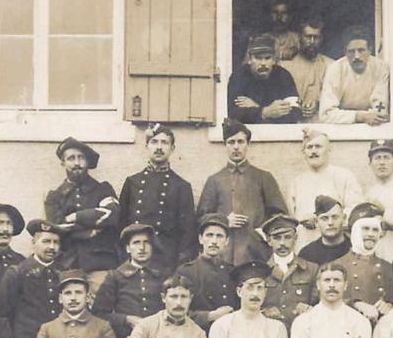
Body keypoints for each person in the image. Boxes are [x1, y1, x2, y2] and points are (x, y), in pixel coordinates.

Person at [198, 119, 288, 265]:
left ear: (248, 144)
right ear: (225, 145)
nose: (236, 147)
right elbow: (202, 218)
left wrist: (263, 232)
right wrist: (224, 221)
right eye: (231, 142)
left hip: (255, 252)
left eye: (240, 142)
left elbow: (280, 215)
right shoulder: (215, 180)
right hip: (223, 254)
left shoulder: (263, 177)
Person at [118, 124, 198, 277]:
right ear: (146, 146)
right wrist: (124, 260)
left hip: (166, 261)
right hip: (134, 260)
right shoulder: (132, 182)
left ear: (172, 148)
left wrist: (179, 268)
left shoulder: (181, 186)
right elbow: (121, 226)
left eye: (164, 143)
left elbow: (188, 233)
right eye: (154, 142)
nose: (159, 147)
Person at [44, 137, 120, 294]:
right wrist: (91, 230)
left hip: (100, 263)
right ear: (63, 163)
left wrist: (73, 217)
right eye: (71, 158)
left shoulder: (103, 189)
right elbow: (57, 228)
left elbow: (111, 215)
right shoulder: (54, 197)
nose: (77, 163)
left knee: (102, 305)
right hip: (68, 264)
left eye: (81, 158)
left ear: (88, 161)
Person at [0, 219, 64, 338]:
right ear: (33, 243)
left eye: (56, 242)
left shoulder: (64, 273)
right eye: (46, 241)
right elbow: (3, 314)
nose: (52, 247)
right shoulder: (17, 273)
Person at [285, 130, 363, 250]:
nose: (313, 151)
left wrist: (321, 220)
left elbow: (356, 212)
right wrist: (301, 221)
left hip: (337, 246)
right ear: (304, 152)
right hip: (304, 246)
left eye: (318, 146)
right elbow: (290, 219)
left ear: (328, 149)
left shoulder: (344, 176)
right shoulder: (297, 182)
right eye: (309, 147)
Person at [91, 223, 165, 338]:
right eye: (136, 243)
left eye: (146, 242)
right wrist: (126, 320)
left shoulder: (162, 275)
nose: (142, 248)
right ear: (128, 248)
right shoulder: (115, 277)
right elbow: (99, 314)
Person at [174, 213, 240, 332]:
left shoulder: (233, 272)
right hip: (197, 334)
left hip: (230, 333)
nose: (214, 241)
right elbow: (175, 311)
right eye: (209, 235)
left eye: (219, 236)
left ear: (227, 241)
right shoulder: (186, 272)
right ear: (200, 239)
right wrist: (211, 316)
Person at [337, 202, 393, 326]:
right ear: (354, 231)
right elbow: (326, 304)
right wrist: (356, 304)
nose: (371, 234)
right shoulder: (336, 266)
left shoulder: (388, 268)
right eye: (365, 228)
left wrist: (390, 306)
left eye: (375, 230)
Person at [258, 214, 320, 331]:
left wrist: (309, 309)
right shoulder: (261, 272)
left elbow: (320, 306)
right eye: (277, 238)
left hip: (302, 332)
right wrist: (264, 312)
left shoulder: (312, 269)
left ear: (295, 238)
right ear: (269, 240)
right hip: (271, 333)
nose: (282, 243)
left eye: (287, 237)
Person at [319, 26, 390, 125]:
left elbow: (380, 112)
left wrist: (370, 116)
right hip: (342, 126)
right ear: (345, 52)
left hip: (372, 127)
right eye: (351, 51)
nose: (356, 56)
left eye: (361, 50)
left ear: (370, 50)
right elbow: (326, 114)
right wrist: (359, 116)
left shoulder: (380, 67)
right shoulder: (335, 69)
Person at [227, 35, 302, 124]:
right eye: (258, 58)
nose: (263, 63)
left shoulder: (283, 75)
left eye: (267, 58)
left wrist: (258, 108)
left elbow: (295, 113)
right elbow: (234, 114)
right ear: (250, 59)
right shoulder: (239, 76)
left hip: (278, 131)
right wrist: (265, 112)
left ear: (273, 60)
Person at [281, 18, 333, 122]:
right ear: (300, 37)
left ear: (321, 39)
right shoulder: (285, 65)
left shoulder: (331, 65)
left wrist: (318, 103)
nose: (312, 42)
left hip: (323, 123)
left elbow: (335, 96)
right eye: (308, 37)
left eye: (316, 37)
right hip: (293, 123)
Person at [298, 196, 351, 265]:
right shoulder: (306, 254)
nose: (330, 223)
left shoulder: (355, 247)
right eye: (324, 218)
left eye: (335, 217)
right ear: (316, 222)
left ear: (344, 219)